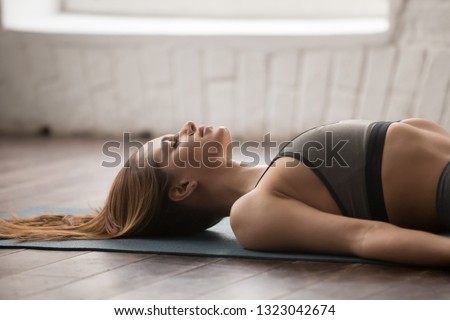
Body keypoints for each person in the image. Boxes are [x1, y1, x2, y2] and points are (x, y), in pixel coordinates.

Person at [1, 118, 450, 267]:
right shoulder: (254, 212)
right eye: (176, 144)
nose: (189, 127)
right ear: (183, 187)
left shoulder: (274, 166)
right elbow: (364, 237)